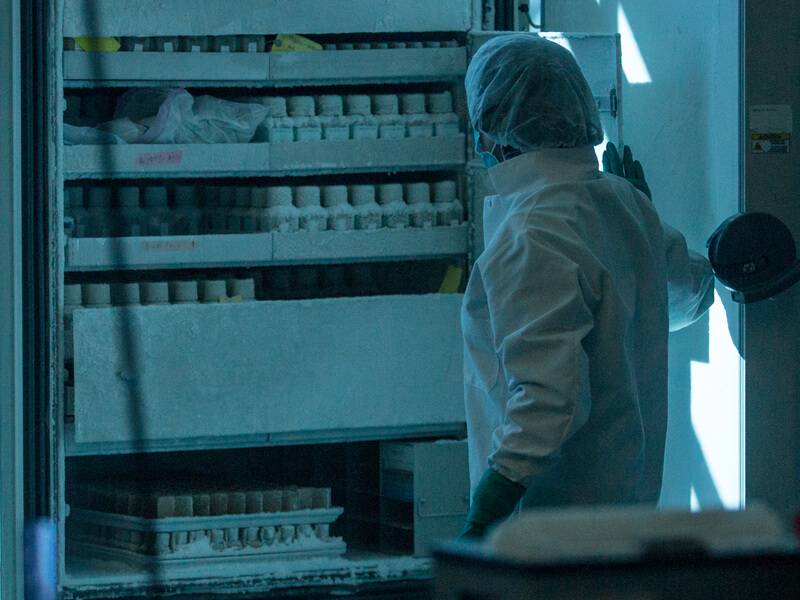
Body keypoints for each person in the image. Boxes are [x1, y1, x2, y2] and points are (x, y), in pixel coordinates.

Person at [459, 34, 715, 539]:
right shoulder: (621, 202)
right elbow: (688, 294)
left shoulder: (532, 229)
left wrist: (486, 511)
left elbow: (551, 399)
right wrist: (646, 223)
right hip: (628, 509)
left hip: (550, 524)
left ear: (493, 128)